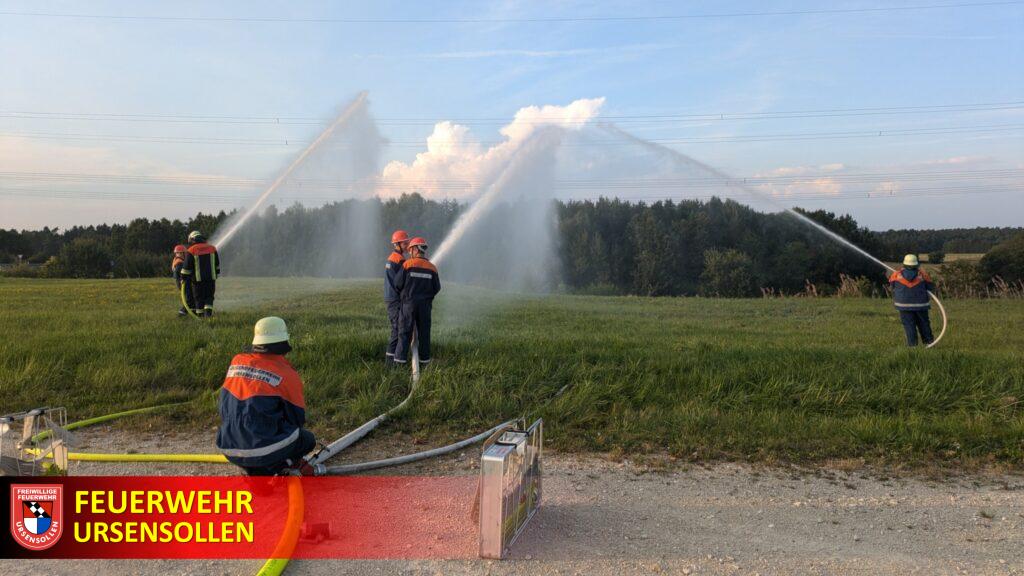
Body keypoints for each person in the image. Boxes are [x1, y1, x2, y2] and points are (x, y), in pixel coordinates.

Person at [216, 317, 317, 476]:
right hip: (263, 451)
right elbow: (297, 419)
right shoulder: (286, 375)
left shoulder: (237, 362)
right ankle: (280, 468)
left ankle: (254, 470)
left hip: (229, 447)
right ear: (284, 342)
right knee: (307, 439)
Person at [393, 237, 441, 366]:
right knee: (424, 335)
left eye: (410, 250)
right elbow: (437, 288)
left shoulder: (407, 264)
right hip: (425, 307)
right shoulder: (432, 267)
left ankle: (399, 364)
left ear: (415, 249)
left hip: (408, 305)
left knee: (404, 334)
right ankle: (424, 362)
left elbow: (397, 284)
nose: (409, 252)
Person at [889, 254, 936, 347]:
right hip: (921, 305)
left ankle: (912, 345)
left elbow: (892, 285)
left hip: (904, 306)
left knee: (909, 325)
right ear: (916, 264)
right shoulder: (922, 274)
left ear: (904, 264)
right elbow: (930, 287)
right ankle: (929, 343)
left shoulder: (896, 274)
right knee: (924, 323)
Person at [384, 230, 410, 364]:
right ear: (398, 244)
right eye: (405, 243)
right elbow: (401, 282)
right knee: (397, 330)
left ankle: (390, 361)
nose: (407, 245)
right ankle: (390, 363)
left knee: (396, 329)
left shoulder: (392, 257)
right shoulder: (399, 260)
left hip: (391, 298)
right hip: (395, 300)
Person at [180, 231, 220, 317]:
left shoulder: (191, 250)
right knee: (209, 297)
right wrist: (216, 274)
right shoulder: (212, 248)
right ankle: (208, 315)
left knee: (199, 299)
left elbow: (186, 268)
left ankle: (200, 317)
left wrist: (183, 278)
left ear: (192, 240)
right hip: (210, 279)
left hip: (198, 281)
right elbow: (217, 264)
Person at [171, 244, 194, 317]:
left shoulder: (177, 260)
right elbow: (181, 272)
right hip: (183, 283)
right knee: (189, 299)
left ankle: (192, 312)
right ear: (181, 253)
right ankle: (182, 313)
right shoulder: (179, 262)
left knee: (191, 298)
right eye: (184, 253)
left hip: (182, 283)